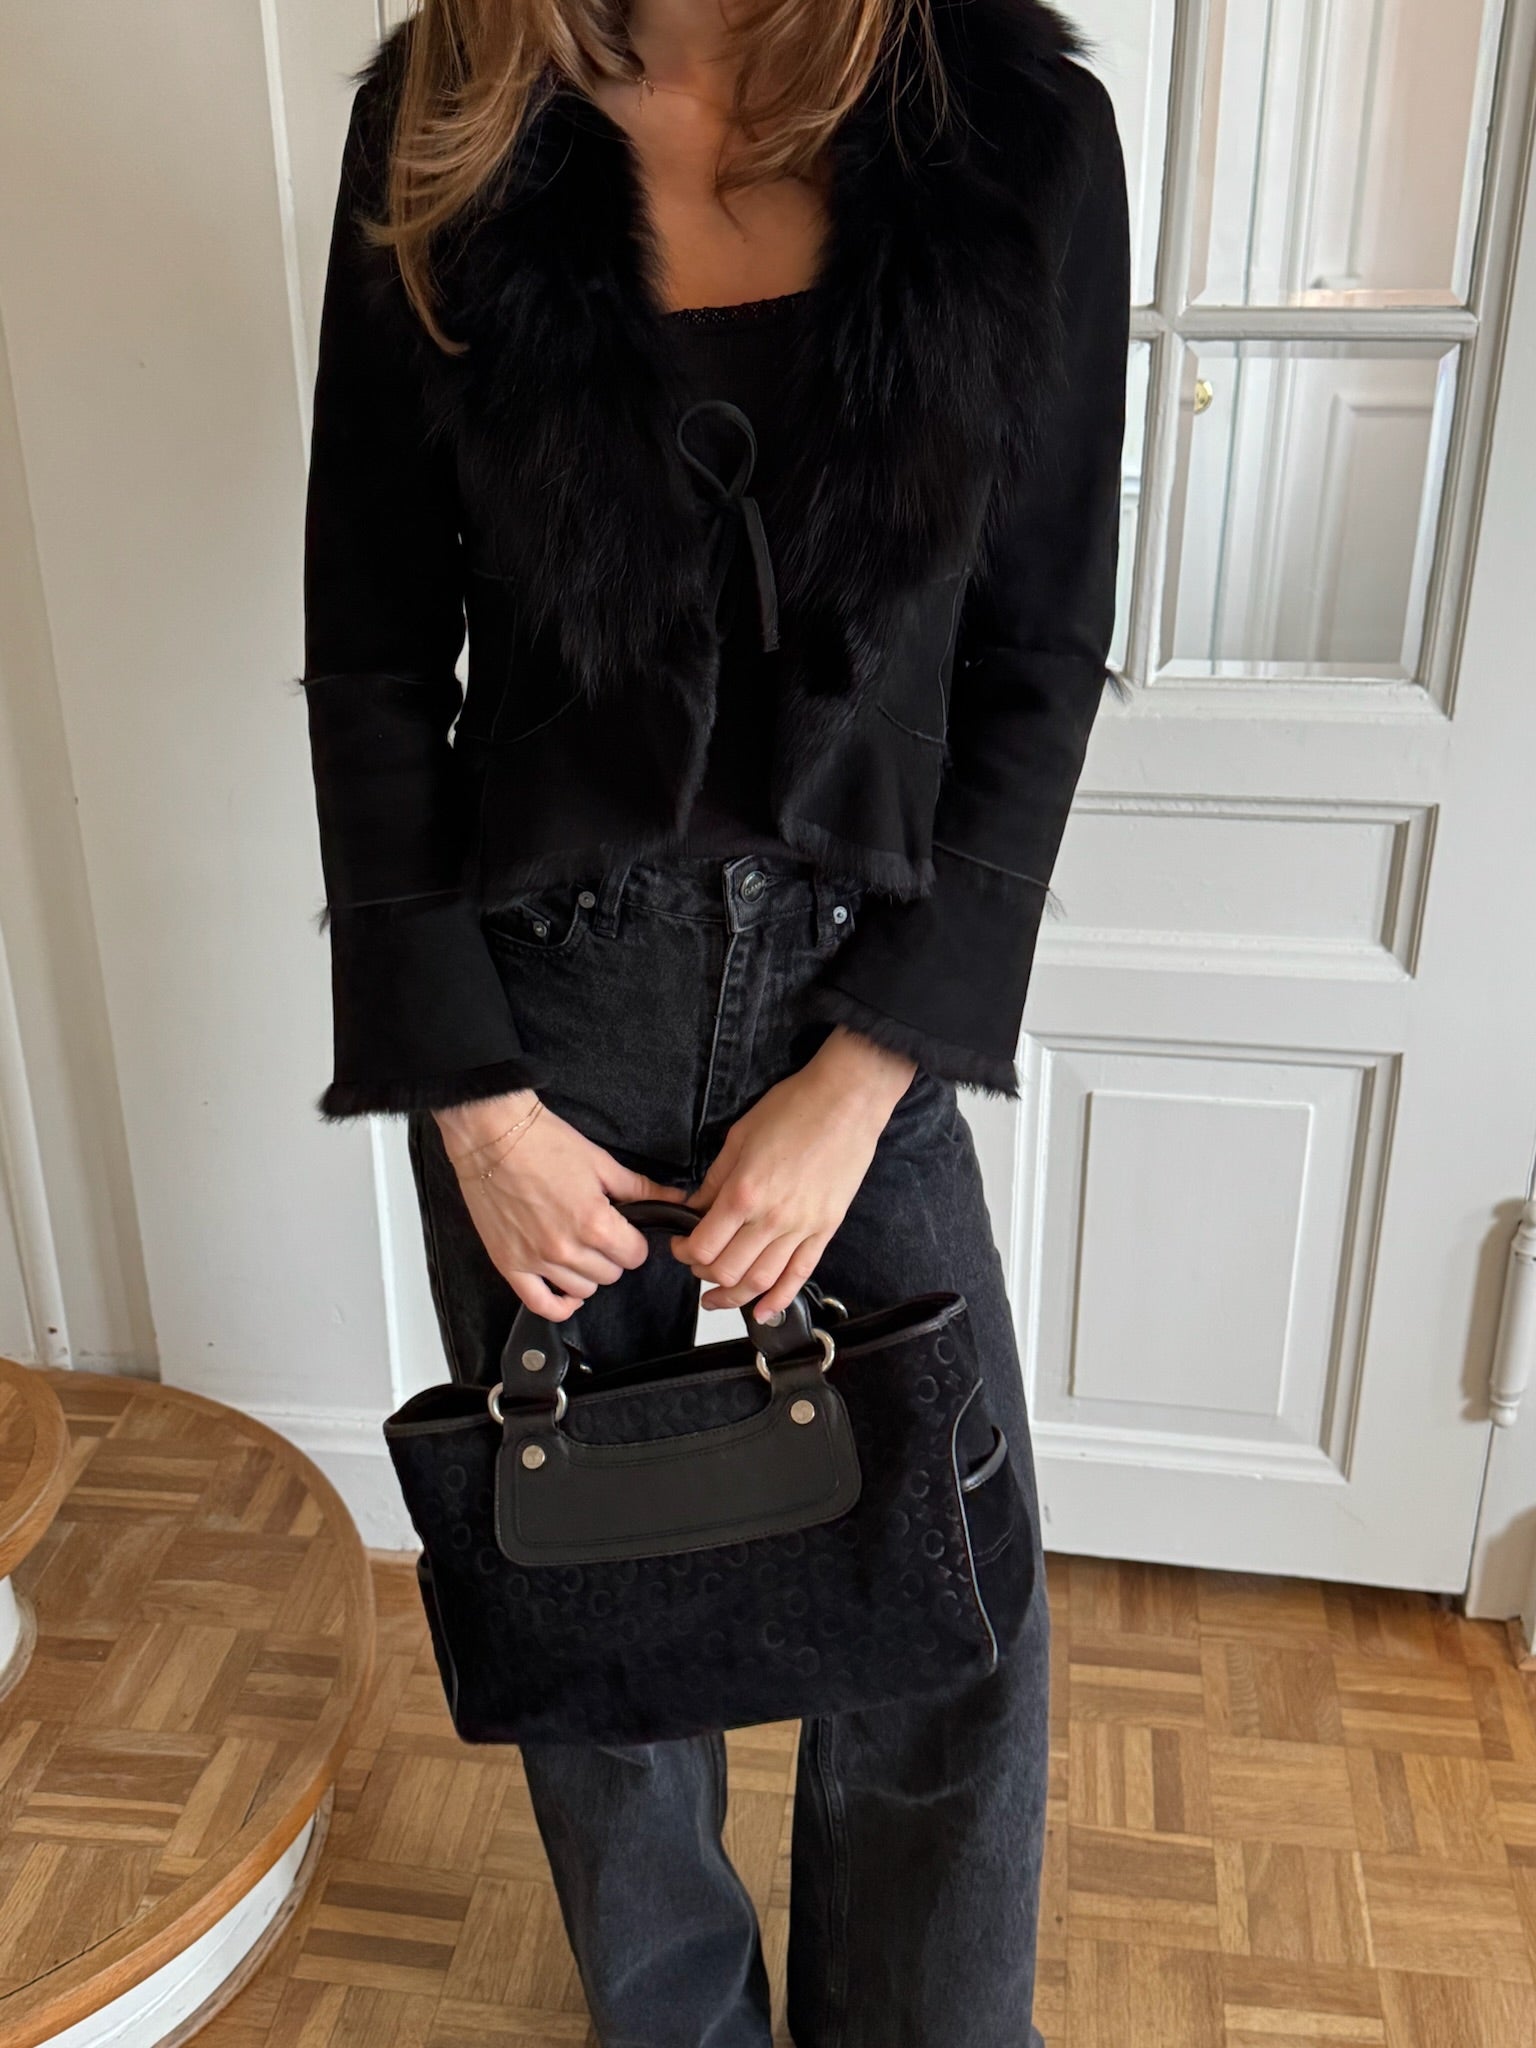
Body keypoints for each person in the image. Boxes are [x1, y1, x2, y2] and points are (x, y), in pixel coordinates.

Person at [299, 0, 1128, 2039]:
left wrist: (867, 1076)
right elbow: (374, 649)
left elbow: (1038, 652)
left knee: (952, 1625)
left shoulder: (1013, 124)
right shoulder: (451, 114)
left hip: (860, 1009)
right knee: (595, 1641)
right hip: (542, 1026)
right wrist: (473, 1105)